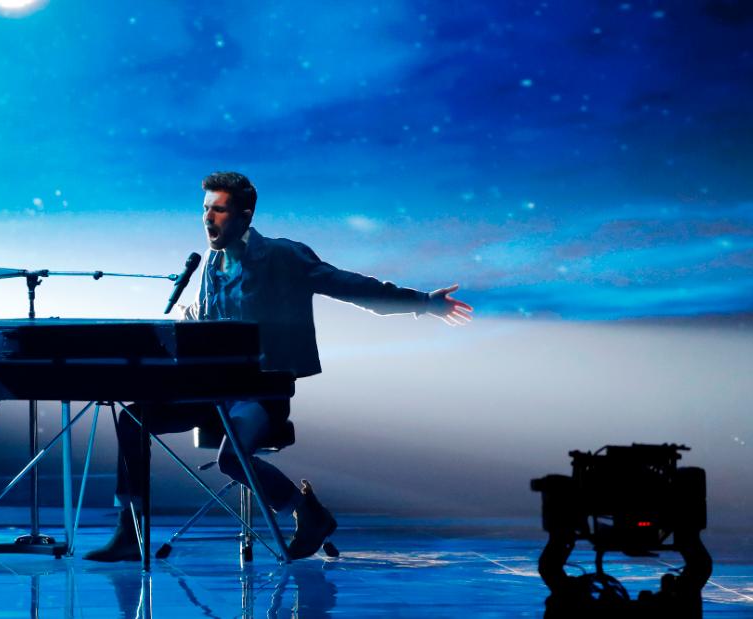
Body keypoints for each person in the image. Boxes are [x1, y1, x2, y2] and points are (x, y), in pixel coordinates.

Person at [84, 171, 473, 562]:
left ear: (244, 215)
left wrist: (424, 302)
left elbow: (350, 286)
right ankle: (130, 533)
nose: (208, 219)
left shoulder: (283, 256)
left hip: (262, 391)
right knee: (133, 420)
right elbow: (206, 326)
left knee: (231, 458)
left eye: (218, 210)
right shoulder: (210, 267)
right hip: (214, 390)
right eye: (205, 209)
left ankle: (307, 512)